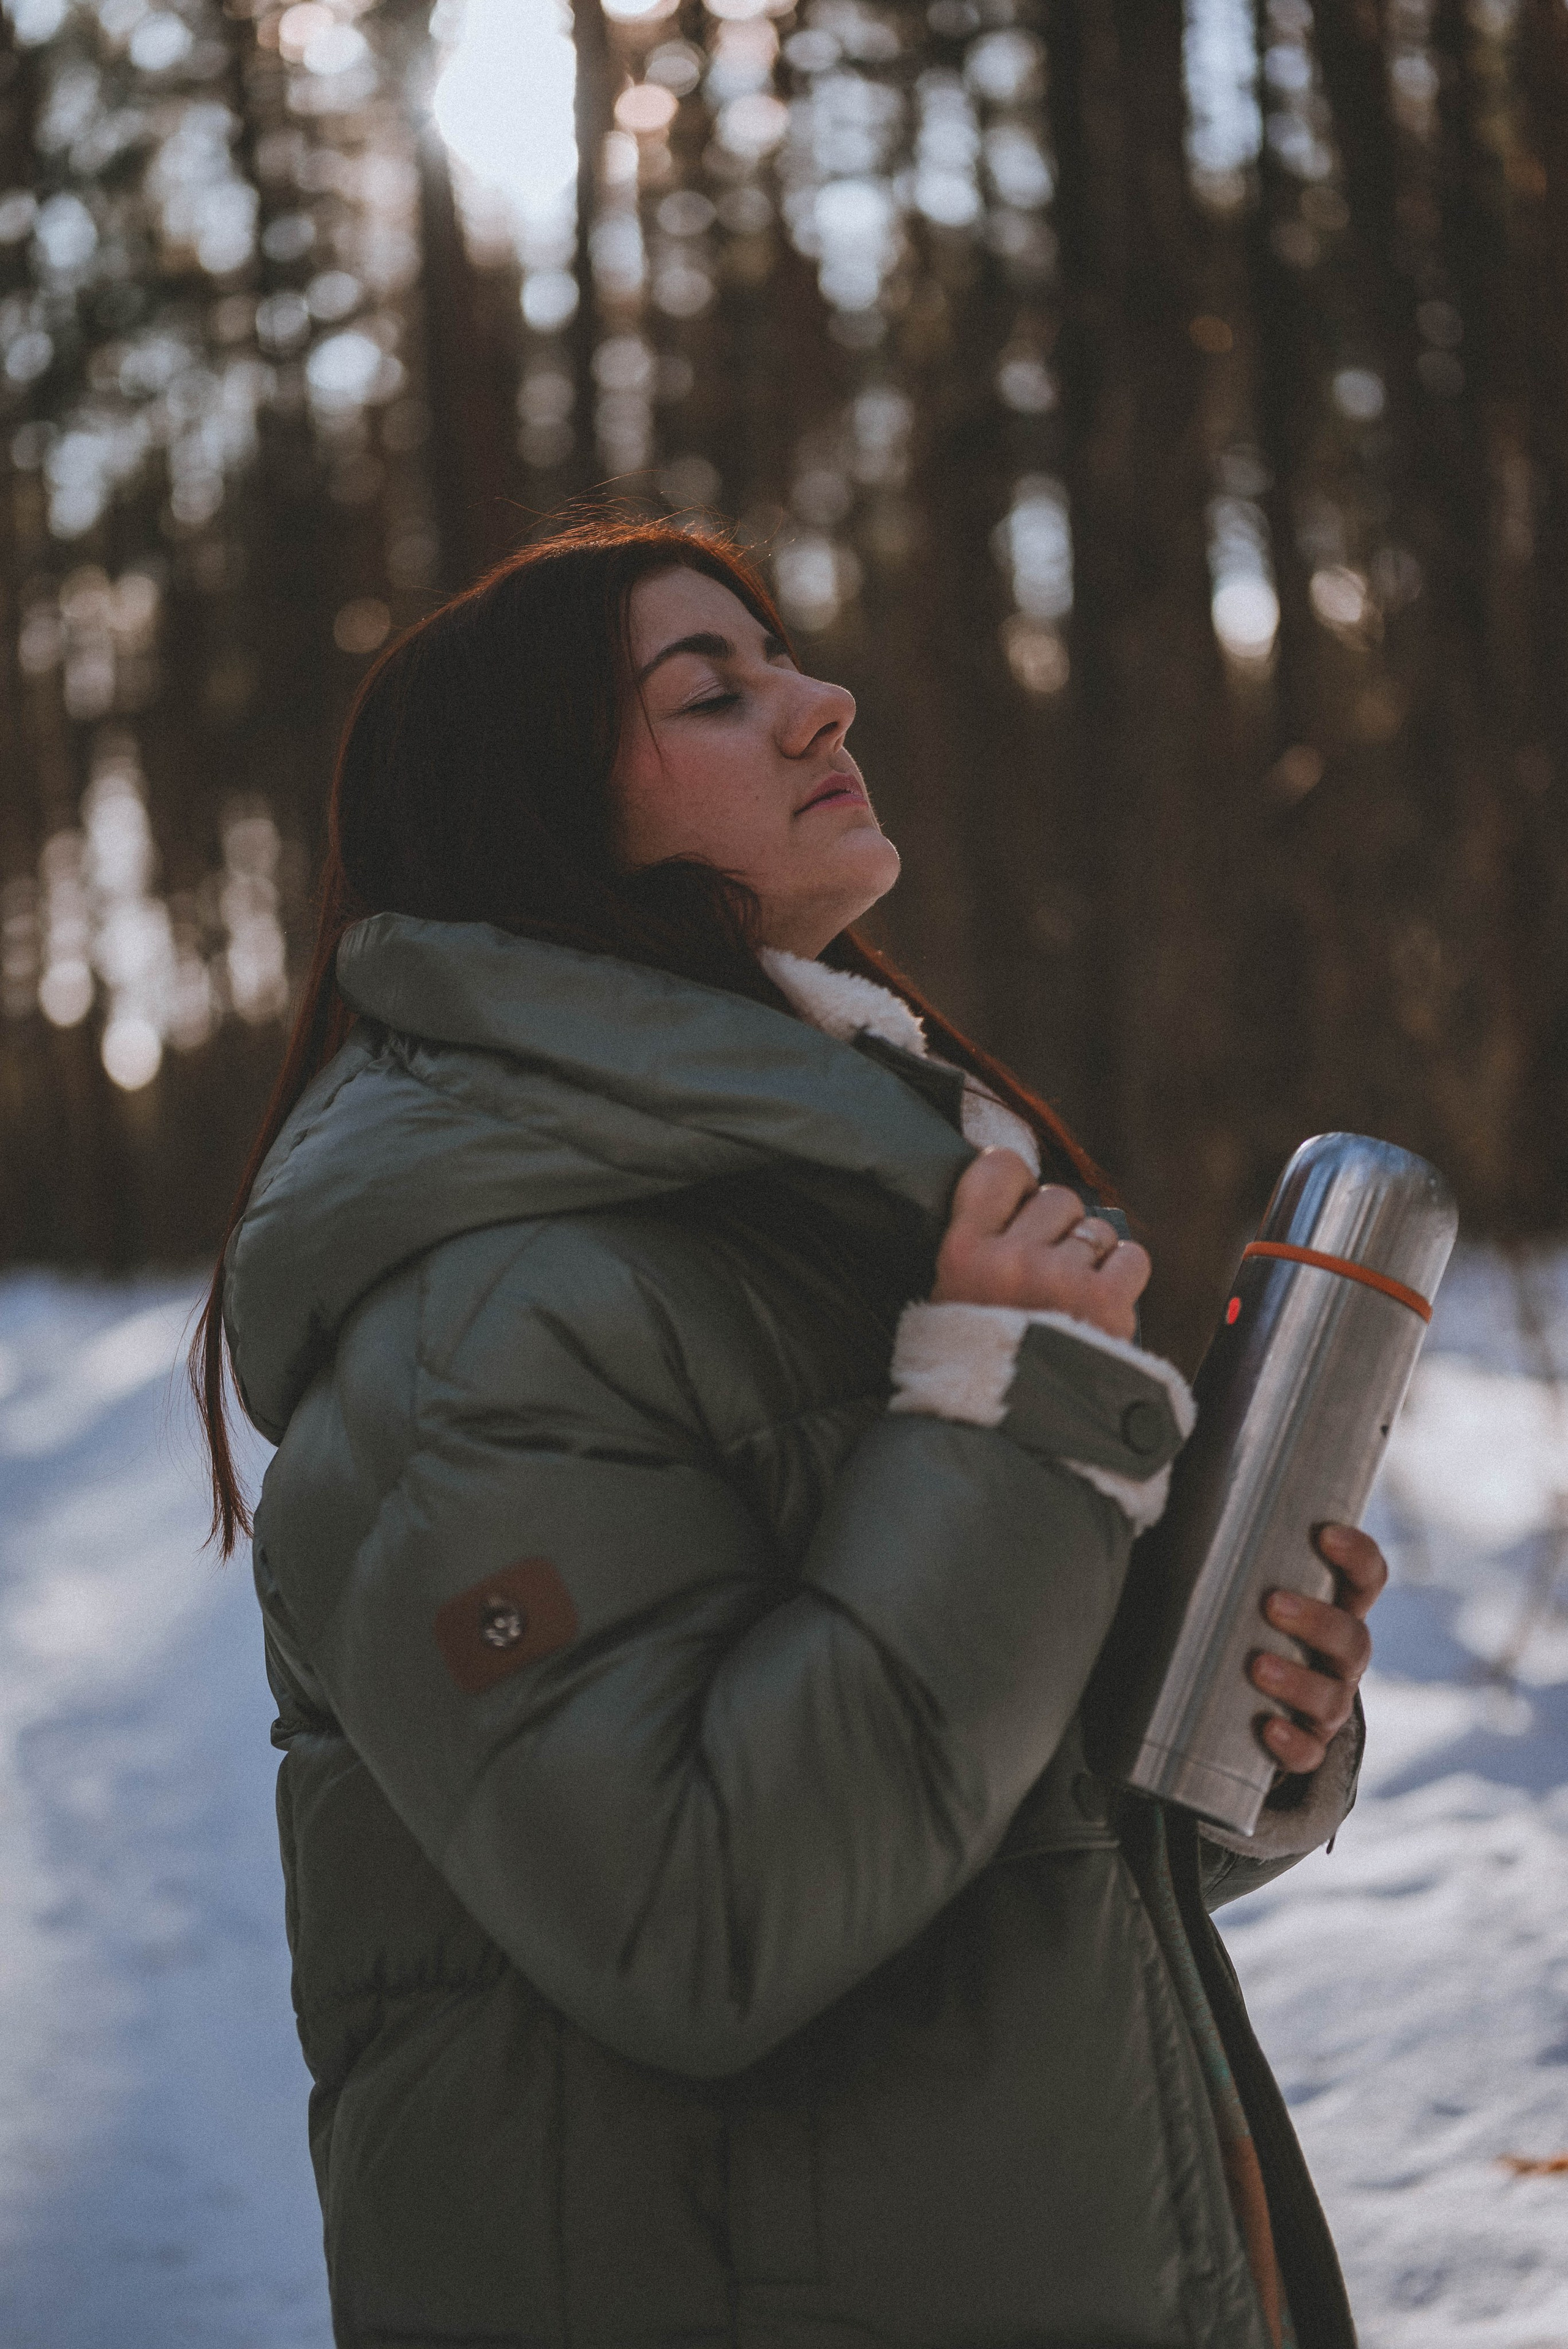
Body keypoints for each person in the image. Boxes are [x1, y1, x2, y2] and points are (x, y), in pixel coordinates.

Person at [194, 516, 1383, 2349]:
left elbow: (974, 1828)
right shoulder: (476, 1317)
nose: (824, 699)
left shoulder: (834, 1219)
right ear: (543, 810)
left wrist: (1240, 1730)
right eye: (714, 688)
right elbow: (701, 1918)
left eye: (787, 660)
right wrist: (1001, 1421)